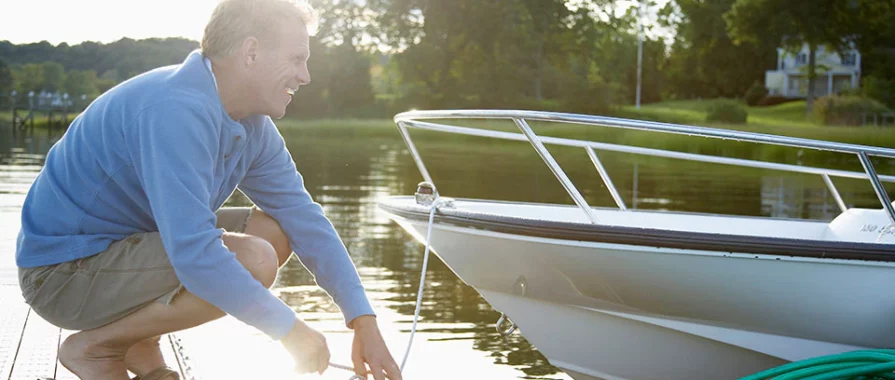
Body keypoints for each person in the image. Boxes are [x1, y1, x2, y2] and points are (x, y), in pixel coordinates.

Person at [14, 1, 402, 379]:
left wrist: (362, 319)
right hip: (61, 275)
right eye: (297, 59)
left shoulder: (252, 124)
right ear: (251, 53)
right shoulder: (175, 110)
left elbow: (304, 218)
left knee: (274, 232)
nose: (305, 76)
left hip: (127, 249)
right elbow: (194, 252)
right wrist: (290, 330)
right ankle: (97, 348)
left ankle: (136, 339)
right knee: (255, 258)